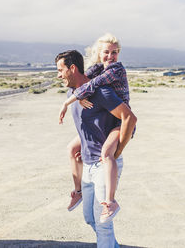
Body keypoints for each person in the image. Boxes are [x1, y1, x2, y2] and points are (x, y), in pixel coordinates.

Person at [55, 50, 137, 247]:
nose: (58, 75)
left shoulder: (101, 91)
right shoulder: (74, 94)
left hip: (104, 164)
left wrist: (117, 151)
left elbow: (129, 118)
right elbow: (91, 126)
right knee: (90, 218)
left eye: (60, 70)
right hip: (88, 166)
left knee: (103, 225)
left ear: (72, 68)